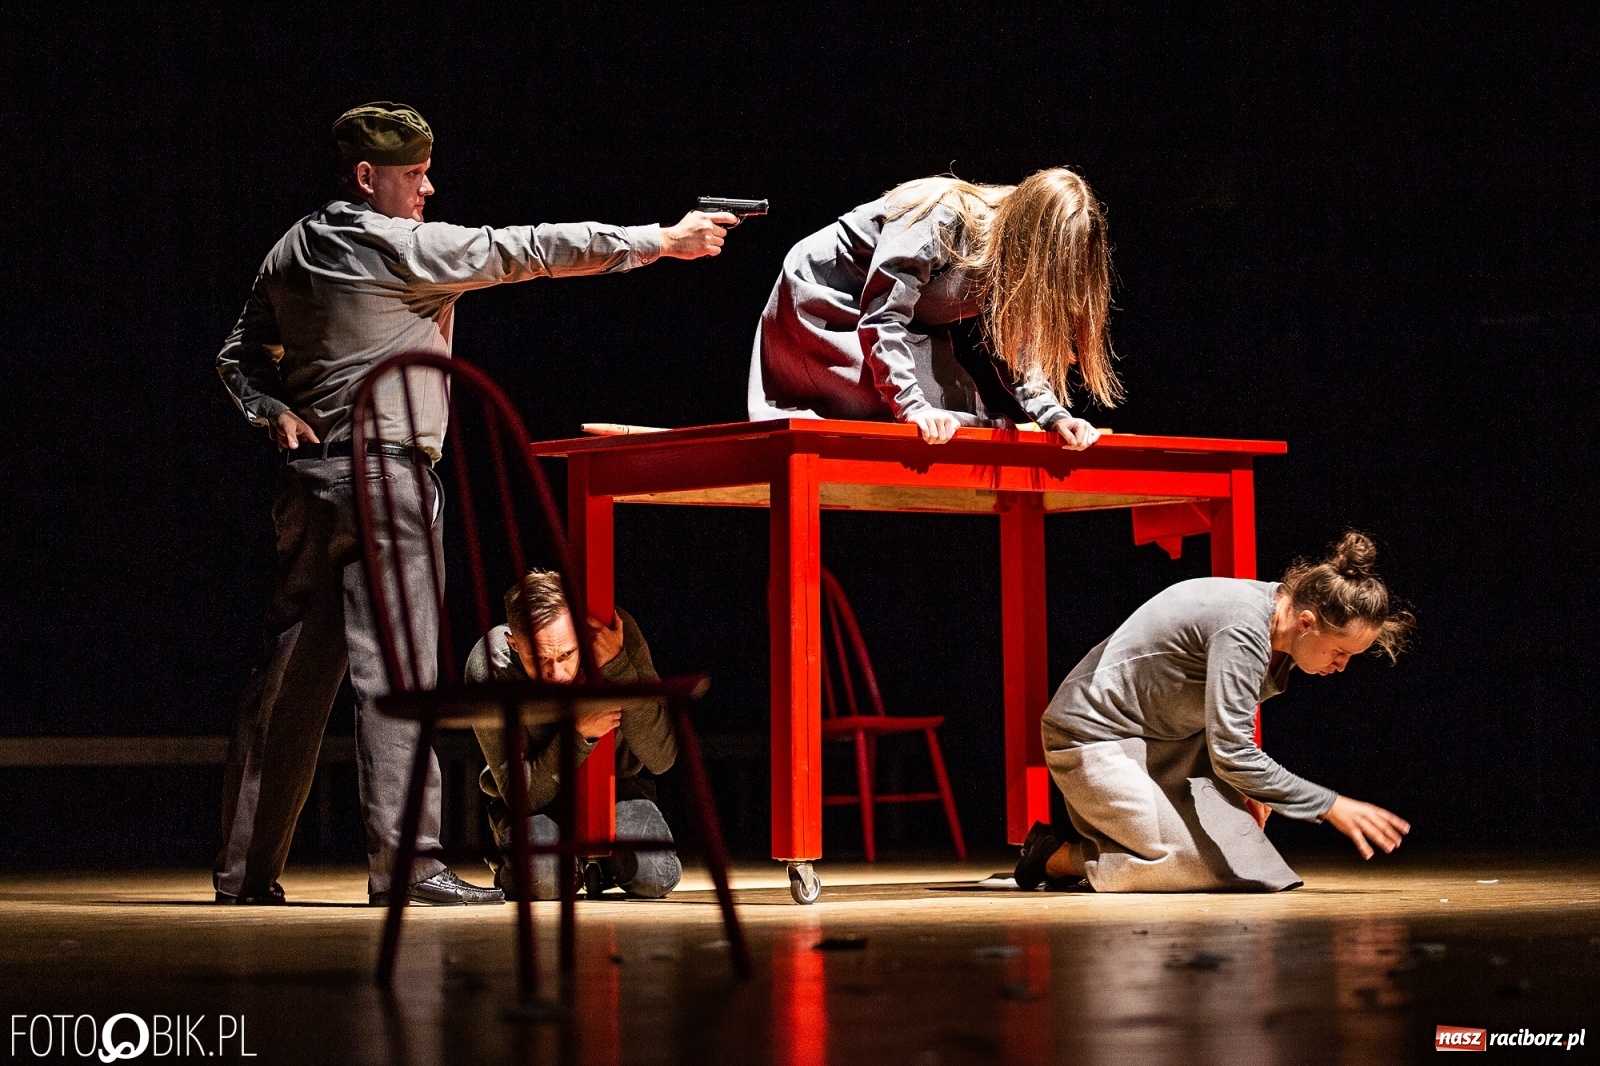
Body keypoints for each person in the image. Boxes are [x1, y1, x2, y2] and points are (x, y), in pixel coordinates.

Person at [213, 102, 732, 906]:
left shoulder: (292, 247)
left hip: (309, 486)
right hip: (386, 478)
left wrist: (266, 408)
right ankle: (409, 864)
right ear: (367, 177)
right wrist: (661, 240)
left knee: (286, 679)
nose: (429, 188)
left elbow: (237, 353)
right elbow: (529, 249)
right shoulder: (407, 249)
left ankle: (244, 873)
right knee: (402, 673)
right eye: (415, 175)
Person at [1013, 532, 1416, 892]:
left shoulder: (1281, 628)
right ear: (1307, 621)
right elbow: (1233, 752)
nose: (1342, 666)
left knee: (1247, 868)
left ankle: (1113, 848)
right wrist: (1329, 805)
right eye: (1340, 651)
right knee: (1183, 865)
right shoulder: (1242, 630)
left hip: (1174, 741)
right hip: (1096, 735)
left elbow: (1224, 719)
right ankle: (1051, 855)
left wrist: (1246, 787)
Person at [748, 167, 1119, 448]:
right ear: (1028, 237)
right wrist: (913, 407)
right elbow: (884, 313)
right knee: (928, 414)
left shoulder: (1013, 260)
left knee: (962, 412)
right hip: (825, 305)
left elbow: (1015, 342)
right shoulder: (943, 217)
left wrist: (1052, 416)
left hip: (897, 323)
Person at [467, 570, 681, 900]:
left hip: (617, 789)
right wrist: (578, 733)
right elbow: (520, 793)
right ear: (514, 643)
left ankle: (597, 866)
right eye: (540, 659)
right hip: (533, 802)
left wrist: (617, 665)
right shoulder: (492, 664)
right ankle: (519, 858)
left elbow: (661, 758)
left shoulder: (614, 636)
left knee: (656, 876)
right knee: (545, 882)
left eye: (567, 654)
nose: (556, 673)